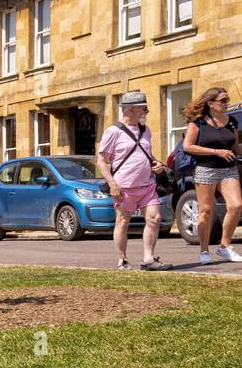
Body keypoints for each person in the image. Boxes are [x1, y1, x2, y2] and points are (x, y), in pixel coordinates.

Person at [96, 91, 171, 271]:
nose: (147, 110)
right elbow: (101, 161)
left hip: (147, 184)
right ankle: (122, 260)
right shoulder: (113, 132)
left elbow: (147, 154)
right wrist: (113, 184)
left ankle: (148, 259)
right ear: (130, 109)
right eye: (143, 107)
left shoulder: (146, 130)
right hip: (124, 187)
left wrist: (157, 165)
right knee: (123, 221)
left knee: (155, 218)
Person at [180, 86, 242, 264]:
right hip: (206, 169)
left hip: (229, 169)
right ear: (210, 103)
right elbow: (188, 146)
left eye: (227, 99)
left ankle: (224, 247)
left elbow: (235, 146)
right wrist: (216, 152)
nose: (227, 103)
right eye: (223, 100)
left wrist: (236, 151)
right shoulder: (197, 122)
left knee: (236, 206)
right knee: (206, 210)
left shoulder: (231, 122)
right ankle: (204, 251)